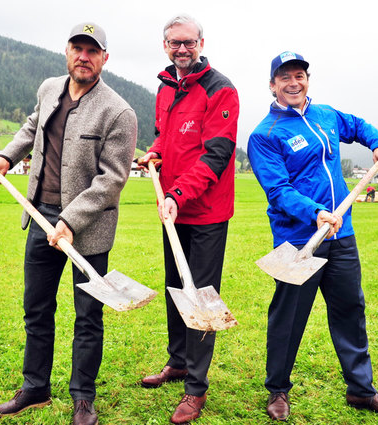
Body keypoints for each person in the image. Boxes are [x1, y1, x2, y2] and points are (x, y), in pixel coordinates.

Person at [0, 22, 137, 425]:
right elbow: (32, 128)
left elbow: (111, 180)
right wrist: (6, 158)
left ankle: (83, 398)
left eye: (92, 50)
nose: (83, 56)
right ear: (67, 52)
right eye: (77, 48)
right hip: (38, 216)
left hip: (88, 228)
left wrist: (69, 220)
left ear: (104, 58)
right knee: (37, 308)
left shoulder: (119, 111)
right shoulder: (50, 88)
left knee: (87, 315)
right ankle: (36, 388)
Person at [247, 51, 378, 422]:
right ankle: (277, 391)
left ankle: (361, 391)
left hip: (342, 235)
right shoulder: (265, 135)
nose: (293, 82)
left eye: (300, 75)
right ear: (272, 85)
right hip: (298, 241)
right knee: (288, 318)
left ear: (307, 80)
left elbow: (359, 125)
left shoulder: (327, 116)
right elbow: (278, 191)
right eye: (285, 76)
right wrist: (315, 212)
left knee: (350, 311)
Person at [136, 14, 239, 425]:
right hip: (172, 208)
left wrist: (179, 193)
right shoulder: (166, 86)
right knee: (175, 287)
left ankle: (196, 388)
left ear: (201, 42)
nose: (182, 49)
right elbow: (166, 133)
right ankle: (177, 363)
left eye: (188, 42)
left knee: (200, 296)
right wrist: (155, 152)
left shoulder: (221, 89)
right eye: (174, 43)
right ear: (165, 45)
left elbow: (216, 154)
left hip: (206, 212)